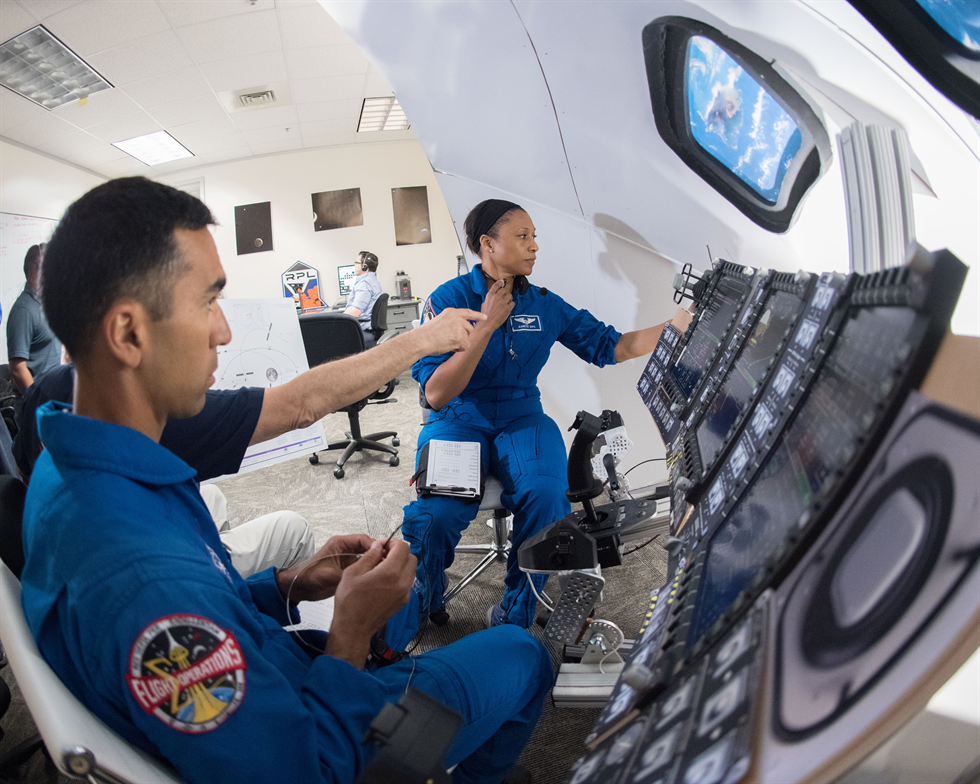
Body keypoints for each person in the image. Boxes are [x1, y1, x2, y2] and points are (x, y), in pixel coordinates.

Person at [20, 178, 551, 784]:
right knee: (525, 655)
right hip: (328, 735)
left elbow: (213, 606)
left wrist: (291, 584)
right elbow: (310, 771)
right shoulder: (143, 580)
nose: (223, 332)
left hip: (277, 674)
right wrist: (348, 632)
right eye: (207, 303)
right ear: (127, 333)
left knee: (412, 619)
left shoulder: (76, 463)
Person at [403, 199, 667, 629]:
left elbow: (611, 345)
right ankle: (425, 595)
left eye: (534, 237)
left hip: (522, 415)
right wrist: (485, 326)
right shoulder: (447, 301)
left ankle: (515, 612)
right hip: (456, 416)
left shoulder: (544, 304)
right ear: (488, 243)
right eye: (523, 237)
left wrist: (675, 327)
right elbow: (435, 392)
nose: (534, 247)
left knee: (549, 498)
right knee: (438, 516)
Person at [12, 362, 315, 580]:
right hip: (147, 566)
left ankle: (235, 586)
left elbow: (23, 468)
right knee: (292, 528)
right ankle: (225, 589)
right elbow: (294, 407)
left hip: (68, 550)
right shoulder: (149, 408)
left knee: (212, 494)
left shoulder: (46, 395)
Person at [6, 243, 62, 394]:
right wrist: (38, 400)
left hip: (52, 399)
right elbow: (18, 369)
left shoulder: (45, 305)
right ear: (39, 268)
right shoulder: (24, 310)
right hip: (36, 406)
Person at [344, 250, 384, 347]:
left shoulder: (364, 284)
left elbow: (355, 313)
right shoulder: (373, 281)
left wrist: (337, 318)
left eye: (356, 263)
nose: (354, 265)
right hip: (370, 331)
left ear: (364, 266)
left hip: (363, 332)